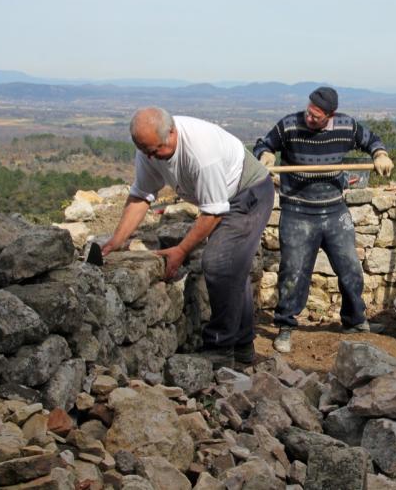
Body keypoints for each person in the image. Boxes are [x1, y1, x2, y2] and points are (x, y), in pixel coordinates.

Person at [102, 107, 275, 368]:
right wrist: (117, 240)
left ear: (172, 132)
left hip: (248, 194)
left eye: (156, 150)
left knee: (219, 264)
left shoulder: (201, 152)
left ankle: (220, 347)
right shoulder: (150, 150)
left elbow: (213, 212)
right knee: (233, 270)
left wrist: (181, 250)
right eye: (146, 151)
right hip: (223, 198)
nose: (151, 157)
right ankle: (242, 346)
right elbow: (141, 196)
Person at [253, 86, 394, 352]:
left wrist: (380, 154)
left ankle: (354, 320)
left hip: (334, 210)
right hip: (297, 211)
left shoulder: (345, 126)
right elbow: (264, 143)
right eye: (309, 112)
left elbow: (371, 139)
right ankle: (285, 326)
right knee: (293, 272)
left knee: (351, 268)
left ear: (330, 115)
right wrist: (266, 154)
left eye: (316, 116)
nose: (309, 118)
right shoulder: (289, 125)